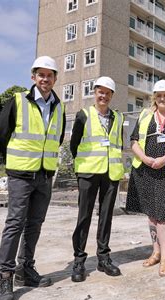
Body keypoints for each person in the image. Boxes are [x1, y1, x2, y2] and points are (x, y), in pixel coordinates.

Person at [0, 56, 66, 300]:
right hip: (21, 174)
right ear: (33, 77)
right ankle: (5, 277)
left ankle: (26, 269)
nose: (45, 79)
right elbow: (1, 135)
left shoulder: (59, 106)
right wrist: (15, 164)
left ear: (55, 78)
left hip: (44, 175)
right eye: (41, 74)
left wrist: (44, 164)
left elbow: (55, 139)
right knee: (15, 223)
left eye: (50, 75)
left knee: (35, 224)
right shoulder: (17, 101)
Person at [126, 79, 165, 277]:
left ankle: (164, 260)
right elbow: (133, 141)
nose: (162, 98)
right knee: (151, 214)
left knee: (164, 216)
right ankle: (156, 251)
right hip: (145, 170)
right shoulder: (145, 115)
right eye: (159, 95)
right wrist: (144, 158)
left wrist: (164, 158)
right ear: (154, 97)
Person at [69, 76, 124, 282]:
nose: (104, 96)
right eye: (100, 92)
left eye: (107, 93)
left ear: (111, 96)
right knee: (84, 216)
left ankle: (103, 258)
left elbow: (117, 143)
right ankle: (79, 260)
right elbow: (74, 145)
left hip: (111, 173)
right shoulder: (83, 115)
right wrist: (83, 167)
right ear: (95, 93)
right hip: (88, 172)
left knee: (106, 216)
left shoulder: (117, 118)